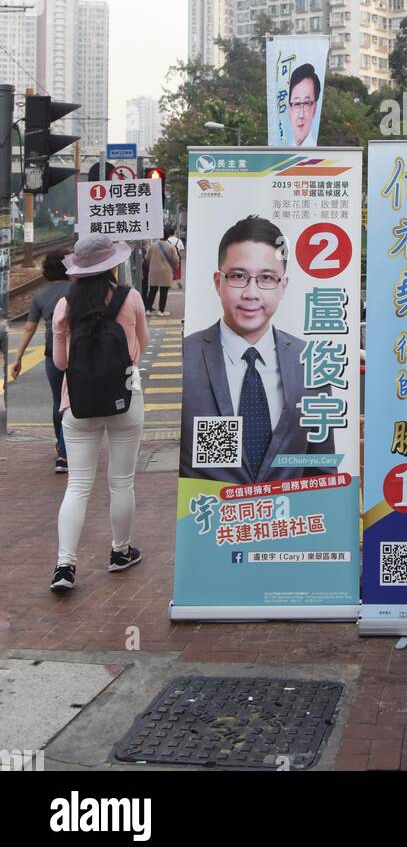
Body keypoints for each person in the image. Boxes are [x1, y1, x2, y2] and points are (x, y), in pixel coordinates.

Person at [180, 215, 334, 483]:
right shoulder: (188, 357)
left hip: (288, 522)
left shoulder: (311, 363)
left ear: (282, 286)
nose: (251, 293)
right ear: (218, 282)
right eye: (238, 276)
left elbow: (320, 471)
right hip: (211, 519)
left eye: (266, 278)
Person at [49, 237, 149, 592]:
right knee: (121, 482)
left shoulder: (65, 305)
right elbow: (141, 347)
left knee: (77, 486)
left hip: (77, 404)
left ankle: (65, 566)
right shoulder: (130, 297)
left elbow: (60, 363)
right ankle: (120, 552)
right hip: (125, 398)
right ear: (111, 265)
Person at [11, 250, 70, 473]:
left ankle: (62, 451)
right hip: (79, 353)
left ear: (46, 271)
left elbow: (28, 328)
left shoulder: (40, 296)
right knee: (76, 401)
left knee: (58, 402)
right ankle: (68, 450)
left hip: (52, 353)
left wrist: (18, 358)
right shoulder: (78, 291)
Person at [287, 63, 321, 147]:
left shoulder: (319, 155)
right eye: (297, 104)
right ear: (289, 109)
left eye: (306, 103)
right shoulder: (280, 151)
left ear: (314, 109)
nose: (301, 115)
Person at [144, 230, 179, 314]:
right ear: (168, 237)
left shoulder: (152, 246)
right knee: (164, 292)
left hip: (154, 271)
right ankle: (161, 310)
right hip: (165, 272)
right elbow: (175, 260)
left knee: (152, 291)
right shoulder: (170, 247)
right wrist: (174, 267)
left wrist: (152, 265)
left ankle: (148, 309)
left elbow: (147, 258)